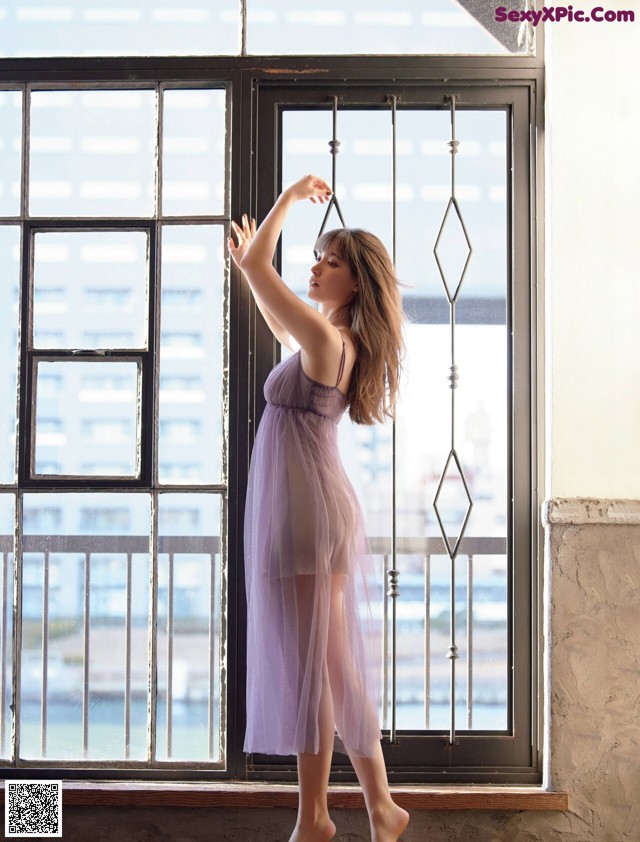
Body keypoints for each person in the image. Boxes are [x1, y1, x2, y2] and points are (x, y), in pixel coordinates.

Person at [229, 174, 409, 842]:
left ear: (355, 281)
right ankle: (377, 808)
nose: (315, 266)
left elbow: (259, 269)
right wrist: (254, 264)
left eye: (329, 261)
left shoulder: (330, 343)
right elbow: (268, 299)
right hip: (310, 509)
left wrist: (288, 197)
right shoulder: (323, 338)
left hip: (308, 515)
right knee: (330, 662)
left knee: (317, 666)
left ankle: (316, 818)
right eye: (319, 256)